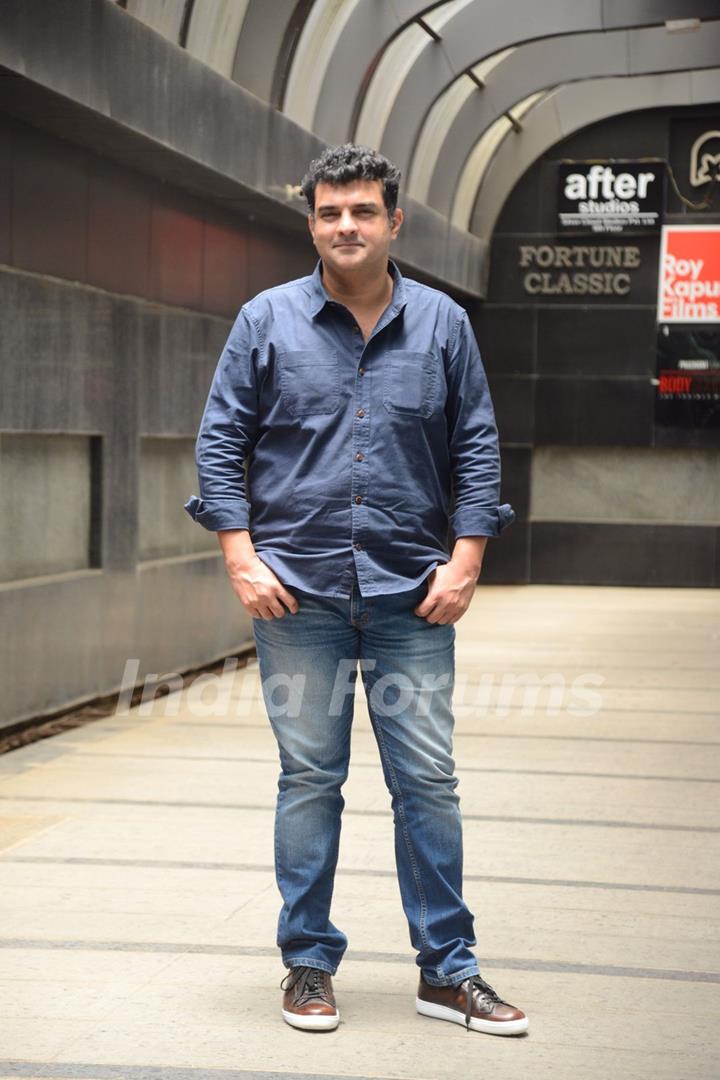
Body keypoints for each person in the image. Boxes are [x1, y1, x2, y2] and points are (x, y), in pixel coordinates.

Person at [184, 143, 527, 1037]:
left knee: (429, 783)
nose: (346, 226)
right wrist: (239, 556)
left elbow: (478, 446)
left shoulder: (446, 325)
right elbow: (221, 442)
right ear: (311, 222)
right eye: (331, 212)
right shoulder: (265, 321)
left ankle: (448, 973)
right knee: (310, 779)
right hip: (297, 597)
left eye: (363, 212)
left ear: (393, 221)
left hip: (412, 593)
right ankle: (307, 965)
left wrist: (468, 558)